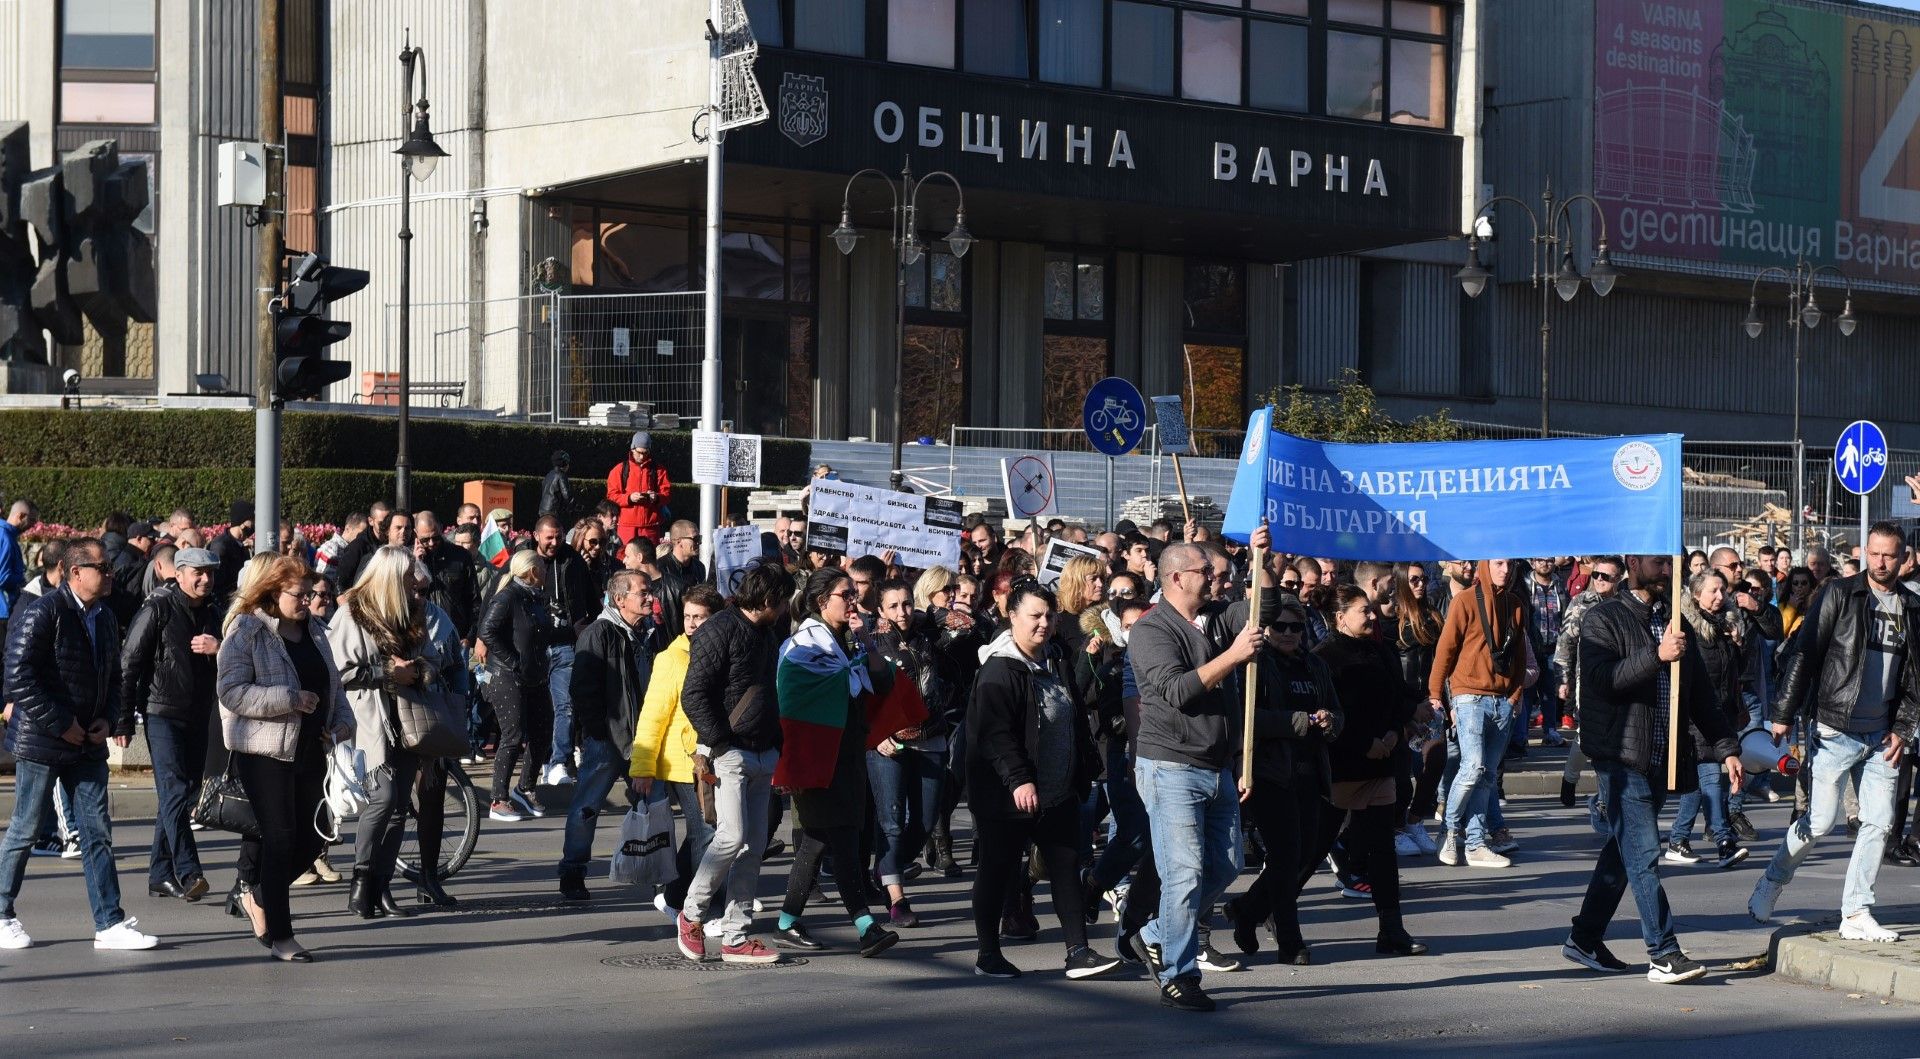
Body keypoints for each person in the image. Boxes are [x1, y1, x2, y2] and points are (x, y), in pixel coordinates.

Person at [1566, 554, 1743, 984]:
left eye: (1670, 564)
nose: (1666, 571)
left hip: (1661, 757)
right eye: (1658, 562)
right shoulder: (1603, 618)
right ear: (1633, 562)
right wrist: (1657, 655)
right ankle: (1663, 953)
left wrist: (1726, 748)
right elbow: (1604, 680)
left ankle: (1584, 939)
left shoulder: (1674, 621)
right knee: (1644, 851)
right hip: (1619, 757)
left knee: (1623, 853)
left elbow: (1700, 695)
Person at [1749, 522, 1919, 943]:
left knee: (1879, 822)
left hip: (1882, 737)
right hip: (1834, 727)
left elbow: (1916, 678)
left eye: (1890, 555)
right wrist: (1783, 713)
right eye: (1874, 554)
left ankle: (1856, 911)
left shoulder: (1912, 607)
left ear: (1904, 558)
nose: (1881, 562)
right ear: (1866, 553)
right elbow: (1805, 654)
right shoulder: (1840, 594)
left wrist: (1903, 729)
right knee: (1821, 821)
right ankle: (1773, 879)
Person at [1127, 529, 1273, 1013]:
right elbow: (1177, 690)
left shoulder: (1216, 617)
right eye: (1205, 571)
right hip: (1171, 766)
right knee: (1184, 874)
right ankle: (1179, 975)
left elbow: (1265, 610)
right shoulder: (1151, 629)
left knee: (1225, 865)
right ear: (1175, 578)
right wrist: (1234, 656)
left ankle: (1156, 933)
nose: (1215, 577)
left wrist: (1262, 559)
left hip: (1216, 766)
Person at [0, 537, 159, 953]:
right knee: (25, 828)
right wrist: (61, 723)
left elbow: (114, 676)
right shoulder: (44, 612)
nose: (110, 575)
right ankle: (1, 914)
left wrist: (109, 717)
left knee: (96, 832)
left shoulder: (103, 616)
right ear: (76, 573)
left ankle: (109, 923)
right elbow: (18, 676)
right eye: (102, 568)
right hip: (42, 741)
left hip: (87, 741)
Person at [967, 580, 1121, 980]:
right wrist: (1019, 780)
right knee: (997, 869)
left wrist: (1082, 767)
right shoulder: (999, 669)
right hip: (1008, 794)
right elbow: (994, 734)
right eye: (1035, 616)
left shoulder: (1056, 659)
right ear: (1012, 617)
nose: (1044, 623)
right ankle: (988, 954)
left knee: (1065, 867)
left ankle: (1078, 952)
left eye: (1049, 616)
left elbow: (1074, 713)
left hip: (1057, 790)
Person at [217, 555, 353, 962]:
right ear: (273, 592)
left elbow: (333, 687)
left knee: (317, 836)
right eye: (300, 594)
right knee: (279, 839)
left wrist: (342, 724)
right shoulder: (247, 630)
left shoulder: (315, 631)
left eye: (311, 593)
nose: (308, 601)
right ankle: (282, 936)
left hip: (311, 749)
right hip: (265, 751)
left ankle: (259, 897)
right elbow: (231, 692)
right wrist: (288, 699)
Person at [765, 568, 900, 960]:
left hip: (847, 756)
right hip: (817, 757)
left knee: (816, 843)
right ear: (822, 601)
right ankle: (866, 927)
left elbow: (882, 681)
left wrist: (866, 642)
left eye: (854, 593)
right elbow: (792, 702)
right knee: (842, 842)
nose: (853, 600)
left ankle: (786, 924)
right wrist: (792, 764)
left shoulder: (846, 641)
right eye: (846, 594)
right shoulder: (804, 644)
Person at [675, 561, 794, 964]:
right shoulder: (720, 629)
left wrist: (776, 742)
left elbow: (770, 691)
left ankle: (736, 936)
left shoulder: (768, 632)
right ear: (768, 598)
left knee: (753, 845)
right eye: (782, 601)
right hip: (730, 753)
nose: (785, 609)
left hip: (762, 751)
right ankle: (691, 914)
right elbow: (693, 694)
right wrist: (722, 743)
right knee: (731, 836)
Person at [1310, 586, 1429, 957]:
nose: (1373, 616)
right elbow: (1331, 713)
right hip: (1344, 768)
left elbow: (1395, 697)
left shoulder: (1380, 650)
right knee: (1313, 848)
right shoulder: (1323, 658)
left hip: (1381, 764)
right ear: (1340, 616)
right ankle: (1258, 908)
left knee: (1382, 850)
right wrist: (1364, 743)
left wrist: (1394, 730)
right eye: (1364, 611)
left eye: (1372, 610)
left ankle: (1391, 930)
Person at [1225, 601, 1341, 964]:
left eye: (1296, 627)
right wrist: (1299, 721)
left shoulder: (1315, 664)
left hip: (1311, 771)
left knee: (1304, 855)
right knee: (1286, 855)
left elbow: (1337, 711)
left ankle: (1247, 909)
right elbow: (1247, 718)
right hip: (1269, 771)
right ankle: (1290, 942)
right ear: (1265, 629)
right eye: (1280, 626)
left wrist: (1330, 721)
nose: (1289, 633)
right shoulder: (1255, 664)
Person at [329, 546, 440, 920]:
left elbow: (431, 661)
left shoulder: (410, 613)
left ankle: (381, 886)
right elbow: (338, 672)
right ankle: (361, 879)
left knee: (399, 808)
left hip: (408, 721)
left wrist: (417, 671)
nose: (414, 585)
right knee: (384, 797)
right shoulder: (353, 613)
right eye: (408, 577)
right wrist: (389, 673)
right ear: (391, 577)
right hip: (369, 719)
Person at [118, 546, 223, 903]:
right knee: (175, 790)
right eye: (198, 572)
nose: (205, 579)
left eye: (210, 572)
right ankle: (190, 871)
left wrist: (218, 648)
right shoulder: (158, 608)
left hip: (198, 714)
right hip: (161, 711)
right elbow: (129, 662)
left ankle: (159, 874)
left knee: (181, 794)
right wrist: (123, 720)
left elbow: (236, 659)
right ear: (178, 575)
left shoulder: (214, 612)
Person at [557, 569, 662, 901]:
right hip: (607, 742)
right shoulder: (599, 633)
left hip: (644, 740)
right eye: (642, 592)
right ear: (620, 599)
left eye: (650, 591)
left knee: (655, 806)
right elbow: (582, 689)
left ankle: (660, 874)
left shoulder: (651, 633)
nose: (650, 597)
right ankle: (573, 872)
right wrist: (600, 732)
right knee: (586, 808)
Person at [1429, 559, 1530, 868]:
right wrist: (1435, 694)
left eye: (1510, 564)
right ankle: (1449, 830)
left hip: (1502, 700)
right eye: (1499, 563)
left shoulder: (1515, 605)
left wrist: (1514, 696)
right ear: (1485, 565)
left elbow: (1520, 656)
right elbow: (1445, 649)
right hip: (1469, 695)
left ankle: (1475, 844)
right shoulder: (1464, 601)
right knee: (1473, 767)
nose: (1505, 570)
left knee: (1486, 776)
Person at [628, 584, 723, 912]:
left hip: (715, 757)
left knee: (705, 833)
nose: (692, 624)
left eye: (700, 617)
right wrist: (642, 767)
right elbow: (652, 714)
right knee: (707, 832)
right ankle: (703, 909)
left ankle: (673, 898)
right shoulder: (671, 658)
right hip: (685, 763)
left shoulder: (721, 652)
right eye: (687, 616)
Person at [869, 578, 954, 928]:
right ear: (880, 610)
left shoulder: (929, 635)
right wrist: (875, 736)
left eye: (906, 604)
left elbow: (970, 626)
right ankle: (897, 899)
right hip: (886, 743)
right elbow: (859, 695)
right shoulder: (870, 643)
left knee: (923, 822)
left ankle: (885, 868)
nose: (902, 612)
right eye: (893, 606)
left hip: (930, 737)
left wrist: (931, 615)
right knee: (891, 821)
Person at [1661, 570, 1752, 869]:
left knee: (1698, 785)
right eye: (1713, 590)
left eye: (1723, 590)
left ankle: (1678, 840)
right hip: (1696, 716)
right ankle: (1724, 841)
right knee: (1711, 777)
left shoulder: (1726, 624)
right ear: (1696, 594)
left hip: (1721, 715)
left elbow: (1736, 673)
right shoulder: (1688, 627)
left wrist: (1738, 644)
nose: (1720, 596)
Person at [479, 550, 552, 822]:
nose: (546, 571)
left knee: (543, 731)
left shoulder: (535, 597)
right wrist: (513, 661)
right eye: (542, 566)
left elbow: (540, 634)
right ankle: (498, 799)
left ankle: (525, 788)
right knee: (512, 735)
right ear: (532, 571)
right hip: (506, 676)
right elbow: (487, 631)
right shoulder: (508, 596)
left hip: (535, 676)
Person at [1554, 556, 1625, 807]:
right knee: (1587, 734)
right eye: (1596, 575)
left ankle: (1608, 796)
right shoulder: (1581, 603)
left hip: (1620, 677)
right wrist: (1562, 678)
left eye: (1606, 576)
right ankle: (1570, 778)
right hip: (1588, 680)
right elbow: (1566, 643)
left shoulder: (1625, 603)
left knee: (1615, 735)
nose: (1599, 580)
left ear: (1619, 579)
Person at [530, 515, 596, 786]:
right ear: (536, 536)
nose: (554, 542)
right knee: (538, 709)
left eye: (558, 537)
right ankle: (542, 760)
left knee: (565, 705)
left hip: (566, 644)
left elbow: (589, 598)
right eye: (549, 537)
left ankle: (559, 762)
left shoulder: (573, 560)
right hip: (535, 646)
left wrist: (589, 630)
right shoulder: (523, 559)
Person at [415, 511, 479, 643]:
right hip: (423, 636)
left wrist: (470, 636)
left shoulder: (460, 556)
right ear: (416, 533)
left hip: (456, 635)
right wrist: (417, 563)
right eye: (425, 540)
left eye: (435, 537)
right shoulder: (409, 558)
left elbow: (474, 599)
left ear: (441, 528)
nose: (431, 543)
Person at [607, 431, 671, 545]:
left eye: (646, 453)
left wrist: (656, 497)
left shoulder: (659, 470)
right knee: (625, 555)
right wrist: (629, 498)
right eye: (639, 452)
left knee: (648, 556)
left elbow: (667, 494)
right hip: (626, 526)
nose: (642, 456)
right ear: (632, 449)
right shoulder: (619, 469)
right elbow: (611, 496)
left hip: (650, 526)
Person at [655, 520, 707, 641]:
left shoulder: (699, 567)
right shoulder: (660, 568)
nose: (699, 542)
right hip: (670, 634)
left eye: (699, 538)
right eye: (695, 539)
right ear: (679, 542)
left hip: (695, 631)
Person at [210, 499, 254, 600]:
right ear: (242, 522)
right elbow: (218, 582)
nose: (254, 524)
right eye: (252, 520)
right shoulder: (221, 546)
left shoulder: (242, 545)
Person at [541, 449, 575, 522]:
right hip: (554, 511)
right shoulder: (561, 475)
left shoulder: (548, 475)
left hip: (542, 510)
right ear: (565, 464)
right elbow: (567, 496)